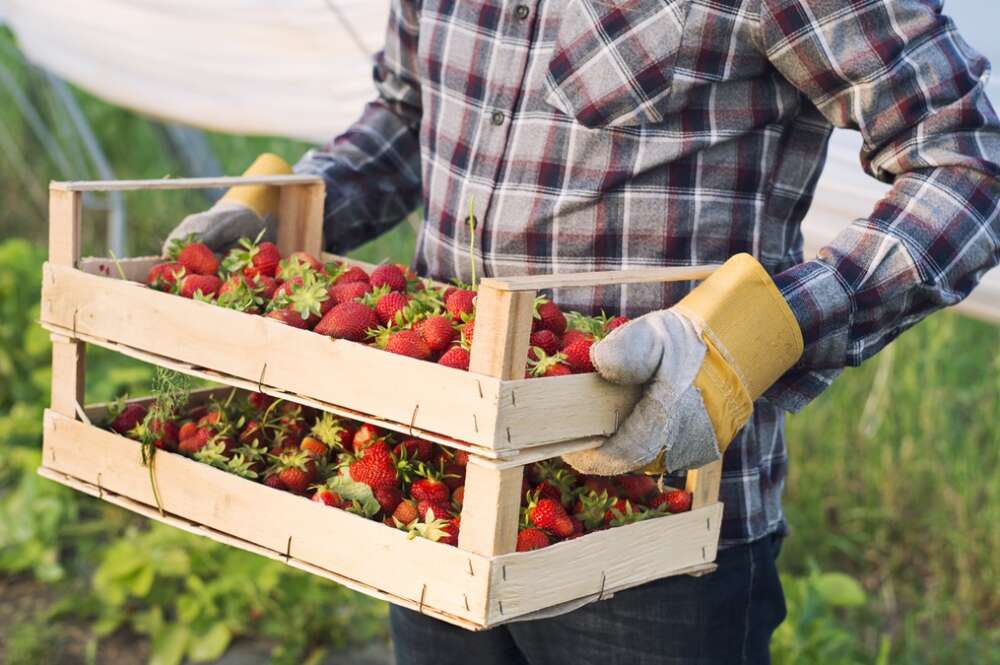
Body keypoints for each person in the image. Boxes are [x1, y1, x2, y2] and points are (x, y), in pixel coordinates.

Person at [166, 1, 1000, 662]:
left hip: (654, 521)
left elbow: (965, 159)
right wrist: (277, 209)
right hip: (436, 489)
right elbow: (404, 118)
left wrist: (745, 341)